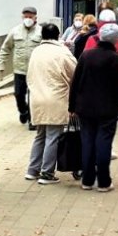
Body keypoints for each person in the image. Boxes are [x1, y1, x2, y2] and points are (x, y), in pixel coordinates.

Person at [69, 23, 118, 192]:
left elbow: (75, 82)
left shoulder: (86, 55)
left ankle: (87, 180)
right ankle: (103, 181)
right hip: (107, 108)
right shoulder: (114, 58)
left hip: (85, 107)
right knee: (103, 142)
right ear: (116, 40)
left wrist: (72, 106)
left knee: (87, 141)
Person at [24, 23, 77, 185]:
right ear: (58, 35)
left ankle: (33, 170)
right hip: (55, 98)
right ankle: (46, 173)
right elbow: (75, 72)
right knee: (53, 136)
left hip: (37, 98)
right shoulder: (62, 52)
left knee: (40, 135)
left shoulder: (36, 51)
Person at [0, 6, 42, 126]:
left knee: (34, 97)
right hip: (19, 70)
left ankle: (33, 120)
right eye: (26, 16)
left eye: (30, 16)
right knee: (19, 95)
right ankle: (23, 111)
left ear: (35, 17)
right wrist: (1, 63)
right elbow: (6, 48)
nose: (28, 19)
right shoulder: (15, 31)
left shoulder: (41, 31)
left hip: (35, 71)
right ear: (22, 17)